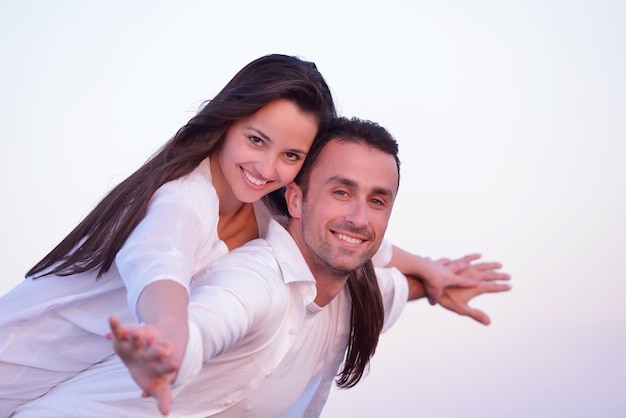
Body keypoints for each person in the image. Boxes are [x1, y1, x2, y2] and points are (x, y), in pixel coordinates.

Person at [0, 54, 484, 415]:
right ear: (228, 120)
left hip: (62, 389)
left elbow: (350, 234)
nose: (267, 168)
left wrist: (429, 271)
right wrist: (171, 336)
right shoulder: (181, 200)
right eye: (257, 140)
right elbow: (160, 267)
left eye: (291, 156)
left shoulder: (267, 206)